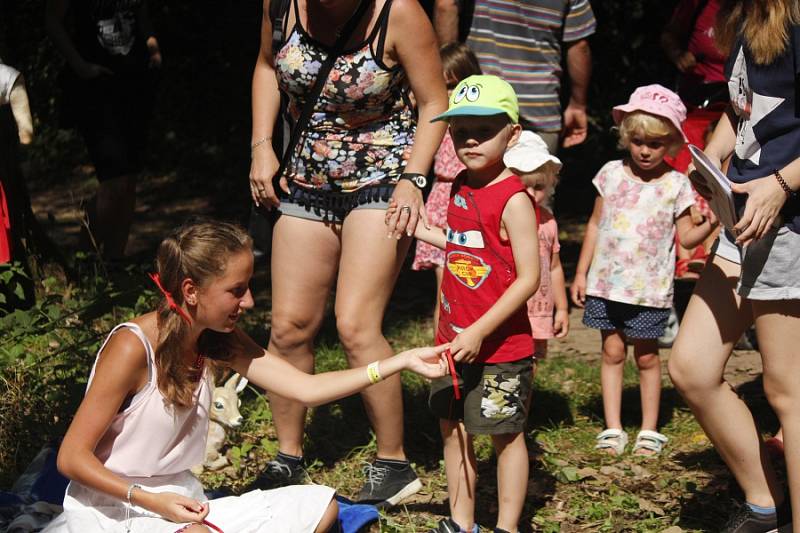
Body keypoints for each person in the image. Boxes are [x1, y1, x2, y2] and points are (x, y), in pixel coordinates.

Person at [43, 220, 450, 533]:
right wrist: (150, 500)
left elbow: (305, 389)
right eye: (237, 290)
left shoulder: (218, 338)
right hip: (116, 509)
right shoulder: (132, 346)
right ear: (191, 290)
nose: (249, 301)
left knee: (320, 506)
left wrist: (399, 361)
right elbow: (71, 457)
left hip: (184, 502)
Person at [248, 0, 448, 504]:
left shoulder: (398, 12)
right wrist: (262, 145)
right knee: (288, 327)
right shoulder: (281, 5)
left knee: (356, 324)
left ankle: (393, 462)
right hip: (305, 178)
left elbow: (434, 103)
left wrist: (414, 179)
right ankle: (288, 456)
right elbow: (268, 65)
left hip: (384, 177)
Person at [668, 2, 800, 531]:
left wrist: (784, 183)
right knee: (693, 368)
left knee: (787, 391)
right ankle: (765, 501)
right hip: (743, 220)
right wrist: (713, 154)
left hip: (788, 223)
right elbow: (743, 106)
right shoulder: (742, 14)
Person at [391, 74, 540, 533]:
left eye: (485, 128)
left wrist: (479, 332)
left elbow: (529, 278)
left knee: (503, 437)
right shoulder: (459, 184)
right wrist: (420, 229)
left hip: (499, 350)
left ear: (512, 134)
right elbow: (462, 246)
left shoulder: (513, 199)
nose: (470, 139)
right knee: (451, 431)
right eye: (459, 131)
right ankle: (462, 522)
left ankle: (508, 526)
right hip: (450, 343)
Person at [570, 84, 718, 457]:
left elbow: (686, 239)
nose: (645, 150)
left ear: (670, 144)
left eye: (655, 144)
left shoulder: (676, 185)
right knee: (612, 352)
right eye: (638, 141)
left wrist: (711, 222)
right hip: (606, 286)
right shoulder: (610, 174)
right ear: (626, 137)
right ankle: (613, 427)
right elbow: (594, 224)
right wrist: (581, 272)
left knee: (648, 356)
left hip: (649, 289)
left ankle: (650, 429)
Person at [45, 0, 162, 261]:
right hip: (97, 89)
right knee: (114, 181)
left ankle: (115, 262)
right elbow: (52, 20)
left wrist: (153, 48)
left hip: (135, 84)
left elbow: (141, 13)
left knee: (129, 180)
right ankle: (84, 262)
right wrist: (81, 66)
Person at [432, 0, 595, 153]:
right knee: (535, 181)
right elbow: (579, 46)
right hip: (540, 108)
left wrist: (447, 74)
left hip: (479, 102)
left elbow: (446, 4)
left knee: (474, 182)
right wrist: (577, 105)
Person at [412, 42, 479, 330]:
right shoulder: (435, 123)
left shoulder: (480, 127)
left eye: (454, 85)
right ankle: (444, 352)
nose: (448, 94)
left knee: (474, 285)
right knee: (446, 287)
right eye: (442, 87)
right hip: (443, 203)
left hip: (472, 203)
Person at [504, 131, 569, 361]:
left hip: (537, 312)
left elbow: (554, 267)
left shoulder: (548, 221)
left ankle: (525, 399)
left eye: (539, 187)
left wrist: (561, 308)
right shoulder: (500, 219)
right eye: (523, 187)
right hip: (505, 310)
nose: (531, 194)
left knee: (529, 367)